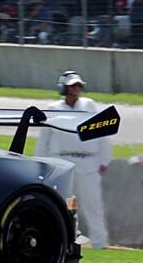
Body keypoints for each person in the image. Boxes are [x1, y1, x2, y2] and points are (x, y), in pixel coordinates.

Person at [36, 71, 111, 249]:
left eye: (78, 85)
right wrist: (40, 163)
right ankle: (64, 241)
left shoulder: (89, 105)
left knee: (93, 203)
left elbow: (103, 132)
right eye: (72, 86)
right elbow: (44, 139)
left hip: (88, 163)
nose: (76, 89)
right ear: (63, 88)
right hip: (62, 162)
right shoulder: (53, 108)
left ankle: (100, 242)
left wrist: (105, 159)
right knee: (65, 204)